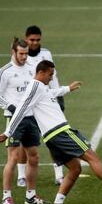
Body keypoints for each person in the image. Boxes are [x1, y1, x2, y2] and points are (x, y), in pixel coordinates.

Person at [0, 60, 102, 204]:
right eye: (50, 75)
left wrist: (67, 89)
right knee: (91, 155)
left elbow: (52, 93)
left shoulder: (41, 88)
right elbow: (21, 109)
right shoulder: (35, 86)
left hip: (52, 137)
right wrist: (8, 132)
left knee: (75, 169)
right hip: (61, 131)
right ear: (41, 72)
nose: (51, 78)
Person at [0, 38, 48, 204]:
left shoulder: (32, 68)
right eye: (21, 53)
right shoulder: (5, 72)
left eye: (26, 53)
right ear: (13, 52)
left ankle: (30, 196)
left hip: (31, 118)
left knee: (34, 157)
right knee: (13, 158)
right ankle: (6, 197)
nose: (24, 57)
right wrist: (10, 106)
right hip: (14, 118)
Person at [13, 25, 65, 187]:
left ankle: (59, 174)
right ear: (26, 39)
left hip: (44, 103)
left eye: (38, 40)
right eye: (32, 40)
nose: (35, 43)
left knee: (52, 137)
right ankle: (21, 175)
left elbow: (53, 75)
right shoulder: (23, 56)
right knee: (25, 142)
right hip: (29, 105)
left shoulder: (46, 54)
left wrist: (59, 96)